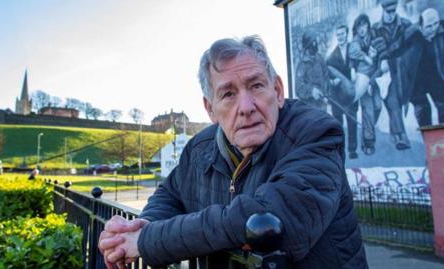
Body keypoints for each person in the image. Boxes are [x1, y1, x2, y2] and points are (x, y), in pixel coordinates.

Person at [98, 35, 368, 269]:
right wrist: (142, 224)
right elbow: (172, 193)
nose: (246, 106)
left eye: (256, 86)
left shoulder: (315, 132)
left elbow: (268, 219)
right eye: (228, 94)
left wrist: (147, 241)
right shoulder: (200, 147)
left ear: (277, 90)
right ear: (210, 108)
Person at [385, 8, 444, 126]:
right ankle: (429, 137)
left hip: (436, 75)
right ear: (420, 27)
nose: (433, 29)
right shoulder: (410, 34)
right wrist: (380, 58)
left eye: (436, 24)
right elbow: (393, 49)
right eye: (429, 27)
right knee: (423, 109)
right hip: (415, 79)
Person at [373, 0, 412, 150]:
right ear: (382, 10)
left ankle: (395, 133)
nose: (391, 14)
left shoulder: (406, 25)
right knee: (393, 101)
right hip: (387, 73)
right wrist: (380, 61)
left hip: (404, 71)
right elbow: (373, 51)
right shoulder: (376, 29)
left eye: (393, 11)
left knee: (398, 102)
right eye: (388, 11)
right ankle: (400, 136)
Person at [349, 14, 383, 155]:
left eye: (364, 25)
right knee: (368, 109)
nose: (362, 29)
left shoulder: (374, 35)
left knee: (378, 106)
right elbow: (353, 52)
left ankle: (369, 128)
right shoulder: (356, 41)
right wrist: (365, 58)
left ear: (368, 25)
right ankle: (368, 143)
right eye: (359, 26)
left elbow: (382, 51)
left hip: (375, 77)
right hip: (362, 79)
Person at [327, 24, 359, 159]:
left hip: (351, 95)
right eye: (338, 34)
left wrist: (356, 72)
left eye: (343, 34)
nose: (341, 37)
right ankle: (340, 151)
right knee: (338, 125)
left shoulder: (354, 49)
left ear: (347, 34)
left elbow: (360, 64)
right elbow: (327, 77)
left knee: (352, 122)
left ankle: (352, 150)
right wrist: (333, 82)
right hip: (337, 96)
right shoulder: (331, 57)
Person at [295, 29, 330, 111]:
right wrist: (311, 91)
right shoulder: (302, 65)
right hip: (309, 108)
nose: (316, 44)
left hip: (322, 105)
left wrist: (326, 94)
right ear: (309, 45)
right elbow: (298, 88)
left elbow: (326, 76)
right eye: (314, 41)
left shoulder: (319, 58)